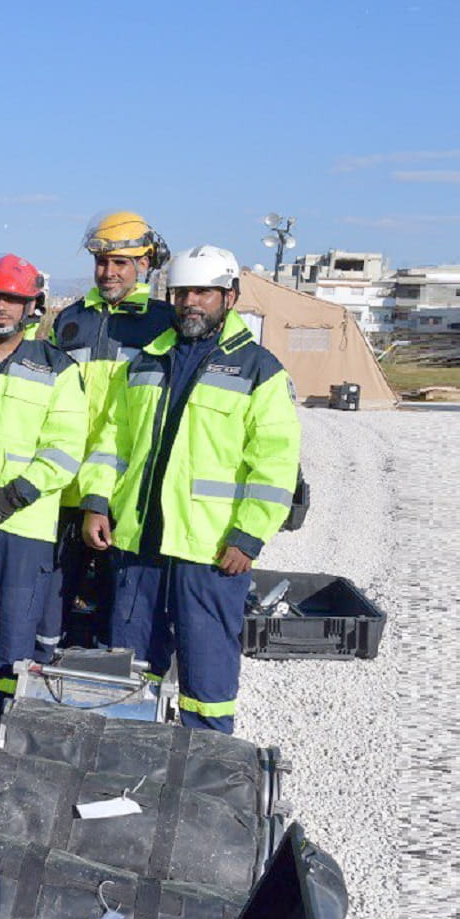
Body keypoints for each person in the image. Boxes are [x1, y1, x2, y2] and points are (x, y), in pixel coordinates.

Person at [80, 246, 300, 734]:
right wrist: (97, 502)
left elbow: (275, 463)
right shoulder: (145, 362)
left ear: (229, 297)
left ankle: (207, 764)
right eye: (181, 292)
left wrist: (248, 536)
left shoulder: (258, 369)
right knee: (130, 662)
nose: (190, 303)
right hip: (138, 541)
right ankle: (129, 751)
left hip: (210, 547)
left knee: (207, 666)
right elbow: (110, 442)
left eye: (203, 292)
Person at [0, 254, 87, 734]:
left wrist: (12, 497)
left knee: (15, 630)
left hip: (23, 524)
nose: (2, 307)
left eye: (13, 299)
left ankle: (3, 718)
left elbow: (67, 448)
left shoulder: (58, 369)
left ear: (33, 306)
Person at [42, 210, 174, 658]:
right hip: (67, 484)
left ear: (144, 264)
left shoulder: (164, 324)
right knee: (56, 598)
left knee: (121, 603)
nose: (108, 272)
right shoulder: (70, 321)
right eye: (102, 263)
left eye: (120, 262)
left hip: (126, 487)